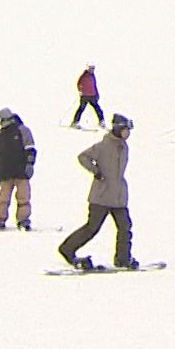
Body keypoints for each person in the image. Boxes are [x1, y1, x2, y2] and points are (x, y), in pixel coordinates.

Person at [58, 113, 138, 271]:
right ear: (118, 129)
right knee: (92, 228)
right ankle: (67, 249)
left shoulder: (124, 147)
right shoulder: (103, 146)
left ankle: (123, 259)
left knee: (125, 226)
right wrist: (96, 171)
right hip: (101, 196)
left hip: (118, 197)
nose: (128, 133)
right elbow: (83, 157)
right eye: (126, 130)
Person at [0, 108, 37, 230]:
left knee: (23, 197)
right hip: (5, 173)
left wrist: (29, 164)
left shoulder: (23, 131)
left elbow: (30, 149)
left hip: (21, 172)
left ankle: (23, 220)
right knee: (3, 198)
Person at [71, 64, 105, 128]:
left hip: (92, 96)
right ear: (88, 68)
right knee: (81, 109)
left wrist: (97, 94)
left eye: (93, 68)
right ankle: (75, 122)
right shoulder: (84, 76)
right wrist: (80, 91)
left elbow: (94, 86)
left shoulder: (92, 75)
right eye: (91, 68)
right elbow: (79, 84)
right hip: (85, 96)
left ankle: (102, 122)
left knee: (97, 109)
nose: (92, 69)